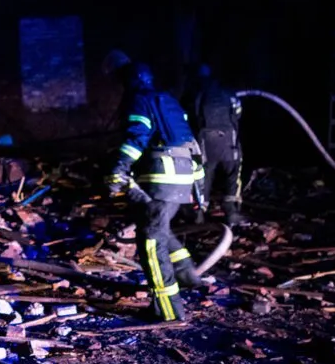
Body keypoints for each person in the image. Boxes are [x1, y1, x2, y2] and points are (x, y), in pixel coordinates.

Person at [105, 62, 207, 322]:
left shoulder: (140, 101)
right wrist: (199, 191)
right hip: (183, 177)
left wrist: (119, 169)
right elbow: (192, 144)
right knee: (158, 227)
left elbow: (137, 137)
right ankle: (186, 273)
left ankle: (169, 310)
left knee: (151, 242)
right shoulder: (168, 102)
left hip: (163, 178)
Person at [183, 63, 247, 226]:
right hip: (228, 141)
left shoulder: (196, 93)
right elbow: (238, 113)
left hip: (206, 140)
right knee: (233, 173)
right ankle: (231, 210)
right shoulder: (227, 93)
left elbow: (193, 116)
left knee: (204, 175)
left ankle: (199, 212)